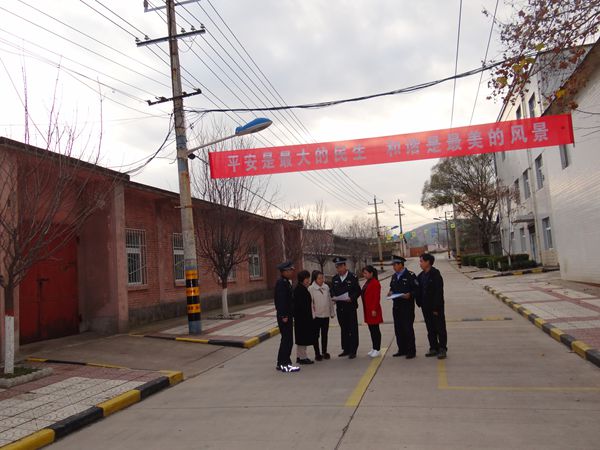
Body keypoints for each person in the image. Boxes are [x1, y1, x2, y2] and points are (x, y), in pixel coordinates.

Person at [416, 253, 448, 359]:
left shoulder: (435, 275)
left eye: (421, 261)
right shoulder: (421, 276)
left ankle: (442, 348)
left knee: (440, 328)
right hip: (425, 307)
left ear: (428, 262)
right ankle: (433, 348)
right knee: (430, 328)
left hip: (435, 307)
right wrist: (419, 302)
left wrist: (436, 307)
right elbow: (417, 289)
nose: (420, 263)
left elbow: (439, 292)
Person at [387, 255, 418, 359]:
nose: (393, 267)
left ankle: (411, 351)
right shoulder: (394, 276)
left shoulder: (410, 275)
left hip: (407, 307)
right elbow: (392, 288)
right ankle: (402, 349)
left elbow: (417, 290)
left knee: (407, 329)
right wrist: (390, 292)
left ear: (401, 264)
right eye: (393, 265)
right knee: (398, 329)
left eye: (395, 265)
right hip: (396, 307)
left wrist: (410, 295)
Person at [331, 257, 361, 359]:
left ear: (345, 266)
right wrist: (333, 297)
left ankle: (353, 350)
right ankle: (346, 348)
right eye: (337, 267)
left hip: (350, 307)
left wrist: (351, 298)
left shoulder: (352, 277)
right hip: (340, 307)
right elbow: (332, 290)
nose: (339, 269)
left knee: (352, 328)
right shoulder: (335, 278)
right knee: (344, 328)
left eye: (340, 267)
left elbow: (357, 291)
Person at [274, 261, 300, 372]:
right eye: (290, 270)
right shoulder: (281, 283)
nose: (292, 272)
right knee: (287, 341)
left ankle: (281, 363)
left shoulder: (285, 282)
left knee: (286, 340)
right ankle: (285, 364)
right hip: (284, 316)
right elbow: (281, 301)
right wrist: (284, 315)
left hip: (287, 315)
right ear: (284, 271)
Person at [308, 270, 334, 361]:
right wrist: (312, 315)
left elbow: (330, 300)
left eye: (322, 278)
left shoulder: (326, 287)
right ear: (315, 279)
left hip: (325, 315)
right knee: (316, 335)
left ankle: (324, 352)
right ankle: (317, 353)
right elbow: (310, 303)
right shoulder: (311, 288)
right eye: (319, 278)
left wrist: (332, 312)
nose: (322, 280)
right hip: (316, 316)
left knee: (325, 334)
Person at [293, 270, 316, 364]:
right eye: (307, 278)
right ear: (302, 279)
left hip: (302, 318)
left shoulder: (302, 288)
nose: (308, 280)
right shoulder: (300, 290)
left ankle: (299, 356)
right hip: (302, 318)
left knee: (301, 338)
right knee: (302, 338)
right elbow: (301, 306)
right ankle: (303, 357)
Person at [361, 265, 383, 358]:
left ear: (371, 273)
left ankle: (377, 349)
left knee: (375, 330)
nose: (364, 275)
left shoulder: (375, 283)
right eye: (363, 273)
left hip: (373, 310)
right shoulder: (368, 282)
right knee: (371, 330)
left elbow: (376, 297)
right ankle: (374, 348)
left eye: (366, 273)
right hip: (368, 309)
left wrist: (374, 309)